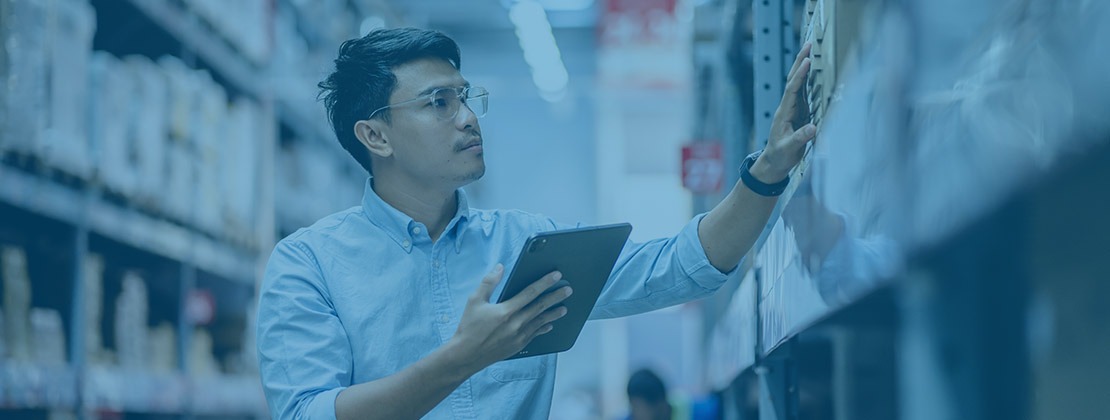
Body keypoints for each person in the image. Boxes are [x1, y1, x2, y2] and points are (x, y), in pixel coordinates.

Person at [256, 27, 816, 420]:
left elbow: (678, 268)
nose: (469, 117)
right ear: (375, 136)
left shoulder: (527, 244)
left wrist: (765, 174)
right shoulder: (309, 265)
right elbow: (309, 414)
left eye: (467, 97)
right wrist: (461, 359)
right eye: (438, 103)